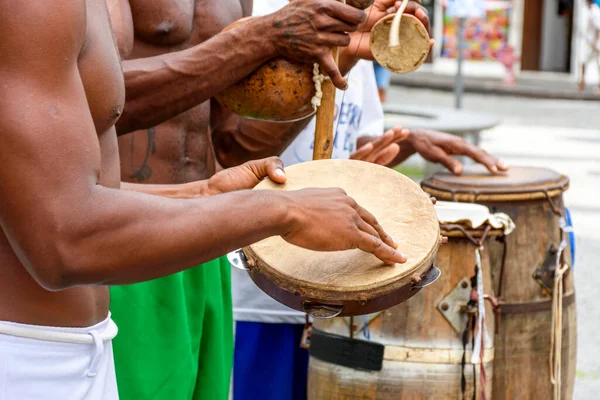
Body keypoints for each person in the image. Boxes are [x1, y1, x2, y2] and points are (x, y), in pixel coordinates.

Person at [0, 1, 409, 398]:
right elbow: (63, 236)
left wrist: (202, 193)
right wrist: (257, 39)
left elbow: (232, 145)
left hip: (170, 258)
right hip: (67, 309)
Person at [231, 2, 508, 400]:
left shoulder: (356, 45)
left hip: (342, 287)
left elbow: (359, 152)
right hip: (265, 296)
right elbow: (231, 149)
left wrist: (407, 143)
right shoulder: (270, 15)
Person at [579, 0, 600, 92]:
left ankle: (598, 86)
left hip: (595, 42)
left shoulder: (595, 11)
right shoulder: (587, 10)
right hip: (589, 41)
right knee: (584, 60)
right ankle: (582, 82)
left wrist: (595, 42)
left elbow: (598, 28)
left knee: (598, 63)